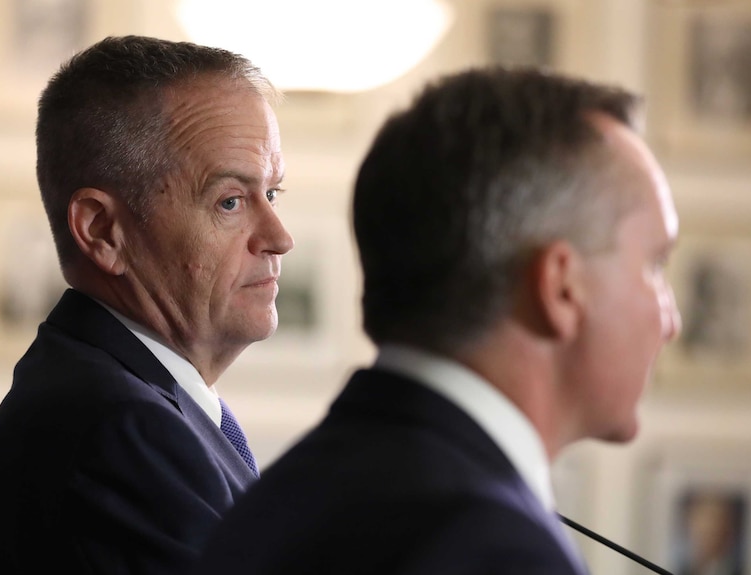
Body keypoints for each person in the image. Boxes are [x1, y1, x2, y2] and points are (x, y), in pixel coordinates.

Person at [202, 66, 681, 574]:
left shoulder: (276, 497)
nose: (670, 320)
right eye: (654, 265)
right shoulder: (496, 549)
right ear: (561, 287)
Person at [0, 35, 293, 574]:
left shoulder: (119, 397)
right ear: (103, 231)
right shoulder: (123, 430)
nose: (278, 237)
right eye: (230, 201)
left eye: (272, 195)